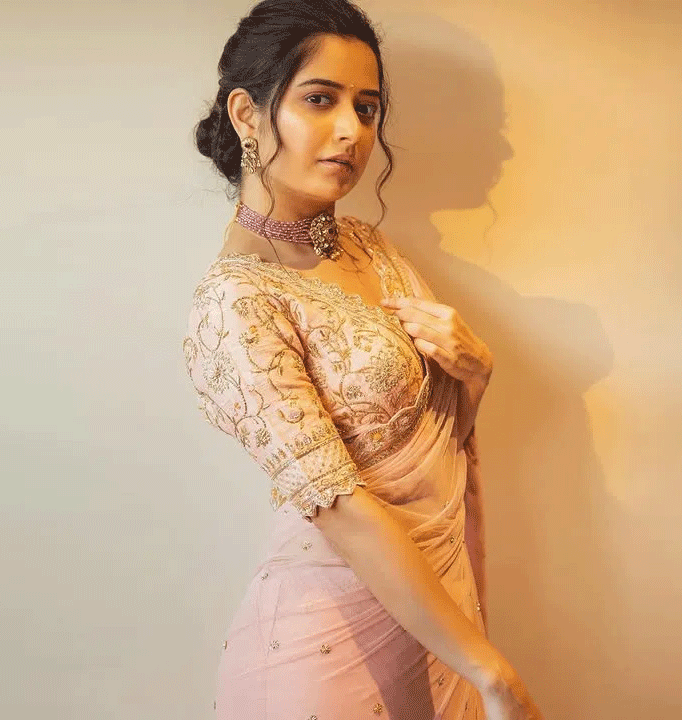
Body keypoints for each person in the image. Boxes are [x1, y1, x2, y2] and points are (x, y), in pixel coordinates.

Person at [182, 1, 543, 718]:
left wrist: (475, 376)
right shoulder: (235, 304)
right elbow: (340, 505)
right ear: (248, 115)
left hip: (435, 622)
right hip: (324, 651)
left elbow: (433, 444)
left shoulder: (370, 249)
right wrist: (491, 672)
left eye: (367, 107)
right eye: (320, 99)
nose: (353, 131)